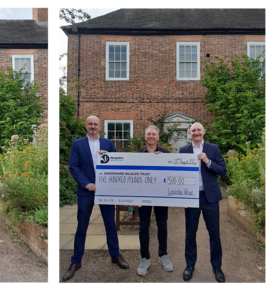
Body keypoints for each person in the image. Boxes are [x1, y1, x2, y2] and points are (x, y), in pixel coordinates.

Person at [62, 116, 129, 282]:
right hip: (86, 191)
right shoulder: (77, 143)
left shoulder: (107, 144)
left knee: (110, 225)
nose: (92, 126)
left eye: (95, 124)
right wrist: (86, 184)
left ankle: (115, 255)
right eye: (90, 124)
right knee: (81, 227)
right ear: (86, 126)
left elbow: (116, 163)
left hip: (105, 190)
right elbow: (73, 167)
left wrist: (108, 157)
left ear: (100, 127)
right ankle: (76, 261)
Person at [179, 122, 226, 284]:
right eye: (193, 130)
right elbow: (179, 176)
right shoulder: (183, 150)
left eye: (199, 130)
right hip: (191, 197)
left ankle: (217, 266)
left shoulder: (213, 148)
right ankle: (190, 265)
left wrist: (207, 161)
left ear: (204, 132)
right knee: (190, 234)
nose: (196, 132)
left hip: (210, 197)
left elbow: (223, 170)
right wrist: (182, 197)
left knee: (214, 234)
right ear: (190, 133)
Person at [135, 125, 173, 275]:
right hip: (144, 197)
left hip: (161, 195)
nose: (151, 136)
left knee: (162, 225)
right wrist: (135, 197)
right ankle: (145, 258)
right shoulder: (138, 155)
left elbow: (171, 174)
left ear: (158, 137)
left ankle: (163, 255)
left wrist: (163, 160)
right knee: (143, 227)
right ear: (145, 137)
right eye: (148, 134)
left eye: (153, 134)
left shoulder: (165, 153)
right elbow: (134, 177)